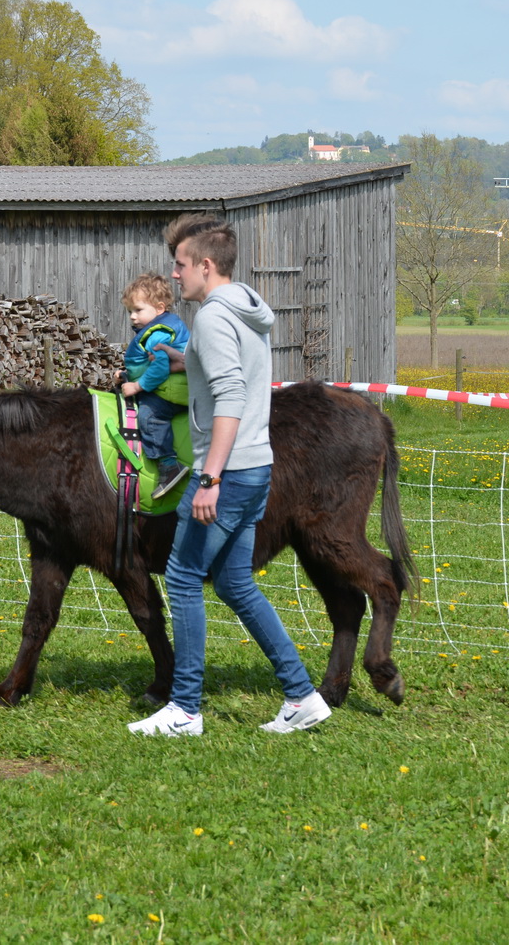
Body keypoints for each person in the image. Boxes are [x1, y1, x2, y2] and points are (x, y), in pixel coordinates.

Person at [128, 214, 330, 736]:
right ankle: (302, 696)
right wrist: (182, 359)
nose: (174, 276)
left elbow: (232, 395)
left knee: (182, 576)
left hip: (229, 471)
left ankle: (185, 710)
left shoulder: (214, 318)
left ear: (206, 265)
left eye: (180, 265)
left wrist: (210, 478)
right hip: (256, 465)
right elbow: (221, 369)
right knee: (236, 582)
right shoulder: (243, 309)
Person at [118, 272, 192, 499]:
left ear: (159, 308)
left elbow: (159, 368)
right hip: (166, 386)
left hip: (172, 392)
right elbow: (145, 365)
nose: (132, 317)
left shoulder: (158, 333)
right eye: (130, 311)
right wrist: (125, 375)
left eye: (138, 310)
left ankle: (169, 465)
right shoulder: (155, 329)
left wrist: (137, 387)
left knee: (149, 416)